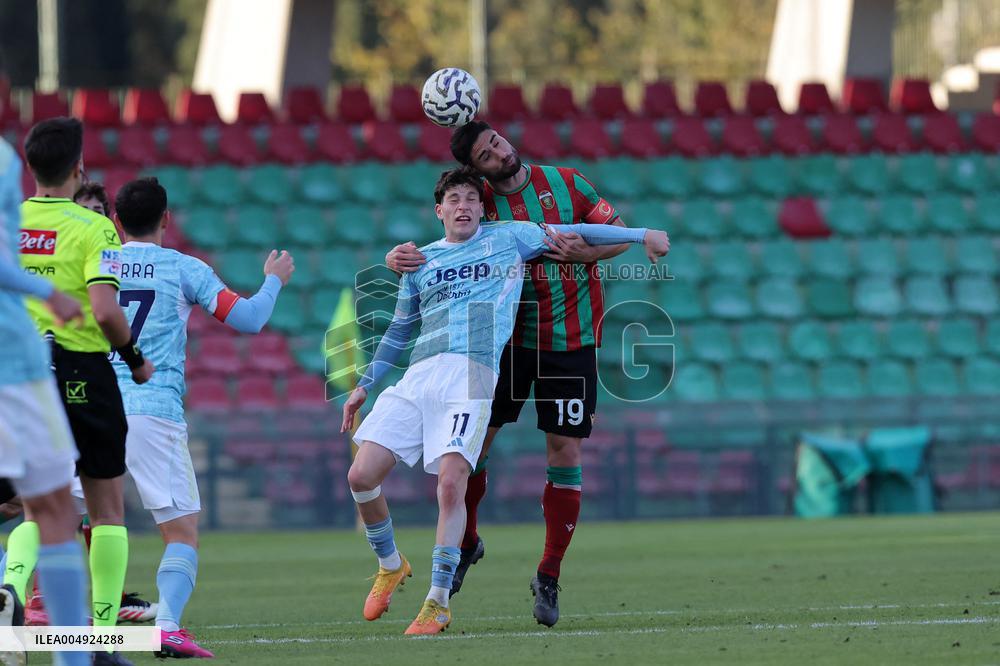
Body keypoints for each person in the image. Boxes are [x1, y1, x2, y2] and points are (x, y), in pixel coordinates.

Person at [342, 167, 668, 636]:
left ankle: (437, 601)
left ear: (482, 207)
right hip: (419, 375)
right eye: (454, 199)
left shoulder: (508, 238)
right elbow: (399, 329)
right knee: (361, 475)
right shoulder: (420, 261)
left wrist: (641, 234)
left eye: (472, 198)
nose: (463, 206)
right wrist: (364, 384)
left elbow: (579, 230)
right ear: (439, 211)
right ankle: (391, 564)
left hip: (473, 373)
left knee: (452, 479)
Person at [385, 120, 633, 626]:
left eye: (497, 140)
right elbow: (443, 247)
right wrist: (397, 258)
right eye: (487, 153)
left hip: (571, 341)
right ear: (477, 172)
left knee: (564, 451)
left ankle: (548, 574)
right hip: (499, 346)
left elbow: (618, 236)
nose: (500, 151)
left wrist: (589, 252)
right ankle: (467, 538)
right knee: (471, 447)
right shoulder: (480, 204)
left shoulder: (567, 181)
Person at [101, 176, 293, 658]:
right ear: (166, 219)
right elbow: (249, 320)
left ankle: (30, 602)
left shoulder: (98, 263)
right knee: (181, 532)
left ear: (117, 221)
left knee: (61, 518)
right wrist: (274, 279)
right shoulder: (186, 268)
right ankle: (165, 626)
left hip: (93, 409)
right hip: (152, 410)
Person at [17, 117, 155, 666]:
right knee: (106, 511)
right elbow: (104, 311)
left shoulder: (8, 223)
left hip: (21, 373)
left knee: (36, 508)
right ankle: (99, 639)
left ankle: (11, 594)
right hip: (81, 371)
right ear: (78, 168)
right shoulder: (94, 228)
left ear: (30, 168)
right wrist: (136, 360)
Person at [0, 128, 91, 666]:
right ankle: (73, 660)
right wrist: (47, 292)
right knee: (54, 506)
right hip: (14, 363)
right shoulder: (2, 161)